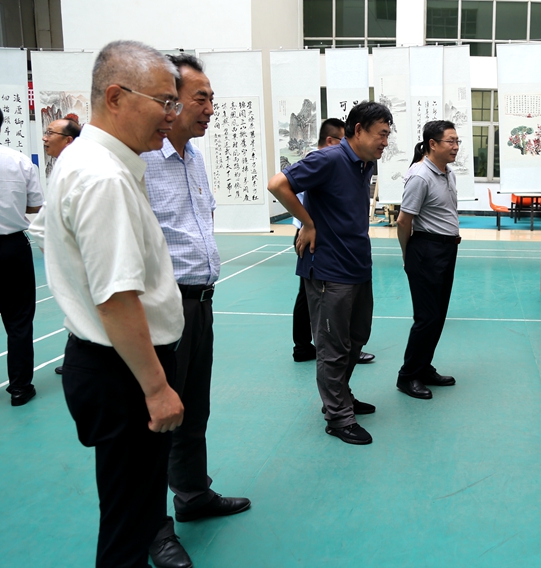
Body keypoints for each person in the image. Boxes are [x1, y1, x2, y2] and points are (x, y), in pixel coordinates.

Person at [28, 40, 186, 567]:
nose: (172, 115)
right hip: (125, 374)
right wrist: (157, 389)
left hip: (112, 367)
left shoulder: (86, 161)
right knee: (129, 527)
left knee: (129, 509)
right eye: (164, 101)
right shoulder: (103, 177)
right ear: (116, 97)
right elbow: (116, 298)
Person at [142, 53, 250, 568]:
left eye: (212, 99)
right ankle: (152, 529)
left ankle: (191, 494)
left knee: (193, 409)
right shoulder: (141, 161)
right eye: (200, 98)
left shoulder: (195, 159)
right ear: (171, 101)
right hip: (162, 306)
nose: (211, 108)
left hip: (201, 303)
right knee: (157, 419)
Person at [267, 101, 392, 445]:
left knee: (356, 339)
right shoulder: (329, 158)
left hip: (357, 266)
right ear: (358, 130)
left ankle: (341, 397)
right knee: (332, 348)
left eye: (388, 135)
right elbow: (278, 184)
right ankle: (338, 417)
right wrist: (307, 223)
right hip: (328, 270)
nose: (385, 142)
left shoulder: (365, 163)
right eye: (381, 134)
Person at [292, 117, 375, 366]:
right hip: (314, 237)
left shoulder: (359, 164)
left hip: (330, 239)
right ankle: (308, 346)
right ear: (331, 141)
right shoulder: (324, 160)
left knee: (310, 297)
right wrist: (307, 224)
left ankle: (312, 346)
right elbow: (280, 186)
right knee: (314, 296)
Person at [395, 120, 461, 400]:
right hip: (426, 251)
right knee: (426, 317)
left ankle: (423, 367)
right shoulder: (421, 176)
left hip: (446, 250)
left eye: (457, 141)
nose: (456, 147)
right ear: (432, 144)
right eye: (450, 141)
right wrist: (407, 255)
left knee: (438, 315)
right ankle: (407, 376)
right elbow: (403, 221)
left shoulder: (447, 173)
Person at [0, 108, 43, 406]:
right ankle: (19, 388)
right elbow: (35, 206)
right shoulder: (18, 161)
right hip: (12, 248)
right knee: (19, 320)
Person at [41, 117, 81, 377]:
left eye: (50, 133)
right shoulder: (61, 165)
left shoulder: (74, 167)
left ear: (68, 140)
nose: (44, 138)